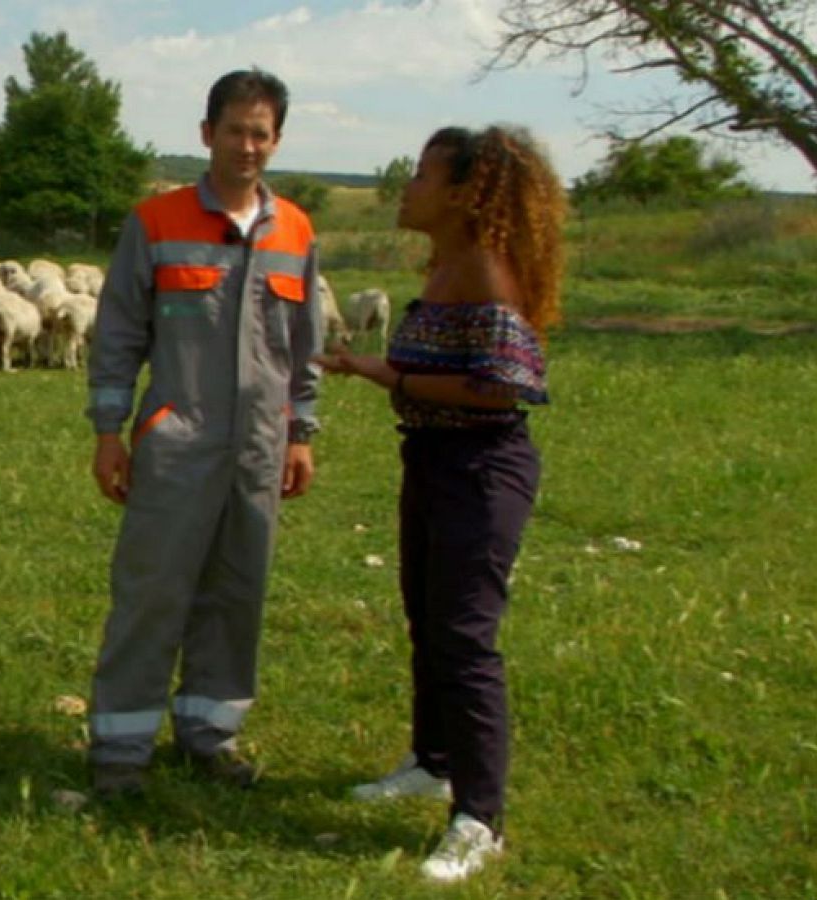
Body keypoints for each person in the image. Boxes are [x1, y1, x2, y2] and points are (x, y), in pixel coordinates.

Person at [316, 124, 565, 882]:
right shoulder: (447, 263)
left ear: (465, 193)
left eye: (423, 175)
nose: (408, 188)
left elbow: (507, 385)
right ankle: (432, 762)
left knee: (465, 638)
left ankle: (480, 818)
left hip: (480, 469)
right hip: (431, 459)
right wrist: (366, 366)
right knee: (427, 616)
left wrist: (387, 378)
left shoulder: (487, 270)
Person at [84, 68, 323, 797]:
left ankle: (208, 734)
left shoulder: (298, 231)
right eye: (234, 129)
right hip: (177, 440)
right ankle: (121, 752)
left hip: (260, 445)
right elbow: (119, 331)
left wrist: (301, 431)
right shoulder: (156, 222)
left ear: (275, 140)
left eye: (261, 132)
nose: (247, 145)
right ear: (206, 133)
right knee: (153, 590)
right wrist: (109, 429)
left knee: (237, 591)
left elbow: (303, 342)